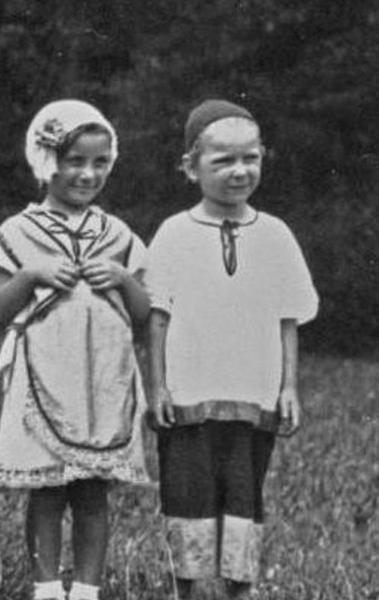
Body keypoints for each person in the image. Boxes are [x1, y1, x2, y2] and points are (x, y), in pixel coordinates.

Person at [146, 100, 315, 600]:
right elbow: (157, 316)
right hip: (190, 392)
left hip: (252, 389)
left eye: (250, 158)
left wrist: (288, 387)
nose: (240, 171)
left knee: (245, 491)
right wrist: (158, 387)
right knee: (187, 490)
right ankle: (188, 588)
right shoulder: (174, 233)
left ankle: (240, 589)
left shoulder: (276, 234)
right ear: (191, 167)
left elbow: (288, 316)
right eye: (223, 161)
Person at [0, 100, 151, 600]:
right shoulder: (18, 231)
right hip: (46, 369)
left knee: (93, 490)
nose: (87, 174)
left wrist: (122, 278)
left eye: (99, 162)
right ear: (46, 160)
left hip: (101, 377)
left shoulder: (117, 234)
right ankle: (45, 586)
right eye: (75, 161)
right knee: (48, 488)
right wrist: (31, 274)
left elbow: (143, 313)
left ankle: (85, 588)